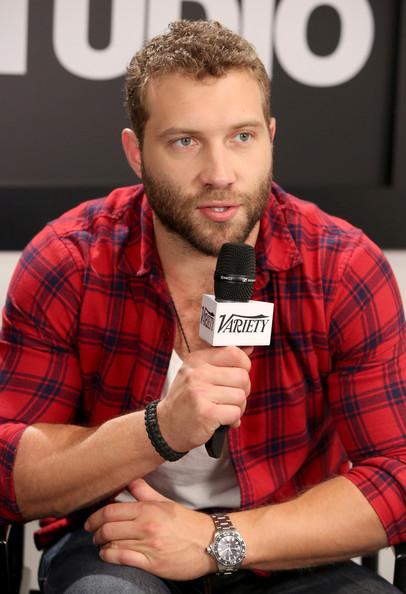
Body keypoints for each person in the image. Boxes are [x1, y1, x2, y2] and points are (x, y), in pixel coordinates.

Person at [0, 19, 405, 594]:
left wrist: (217, 540)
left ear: (270, 135)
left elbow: (397, 473)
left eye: (242, 137)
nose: (220, 174)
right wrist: (159, 430)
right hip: (117, 540)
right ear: (136, 153)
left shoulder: (343, 268)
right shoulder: (70, 260)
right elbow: (7, 466)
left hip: (285, 541)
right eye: (185, 141)